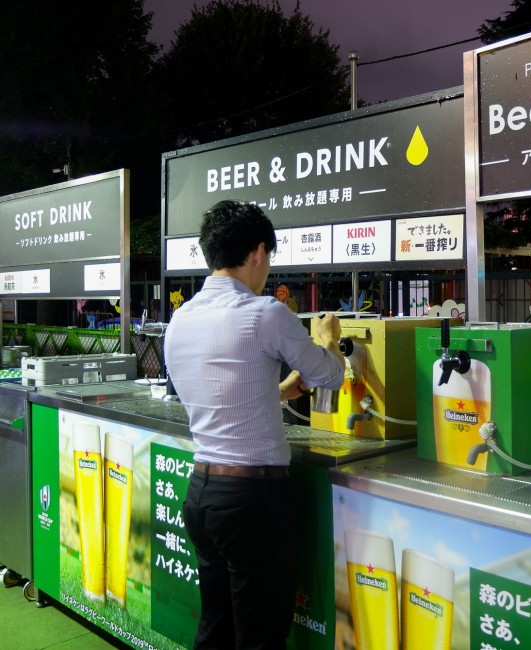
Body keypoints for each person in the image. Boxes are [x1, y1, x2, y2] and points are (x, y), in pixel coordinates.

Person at [164, 200, 345, 650]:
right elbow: (332, 375)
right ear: (259, 253)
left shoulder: (181, 318)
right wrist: (329, 340)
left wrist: (279, 390)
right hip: (253, 501)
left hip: (202, 495)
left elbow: (218, 389)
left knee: (216, 628)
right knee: (261, 637)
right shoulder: (265, 312)